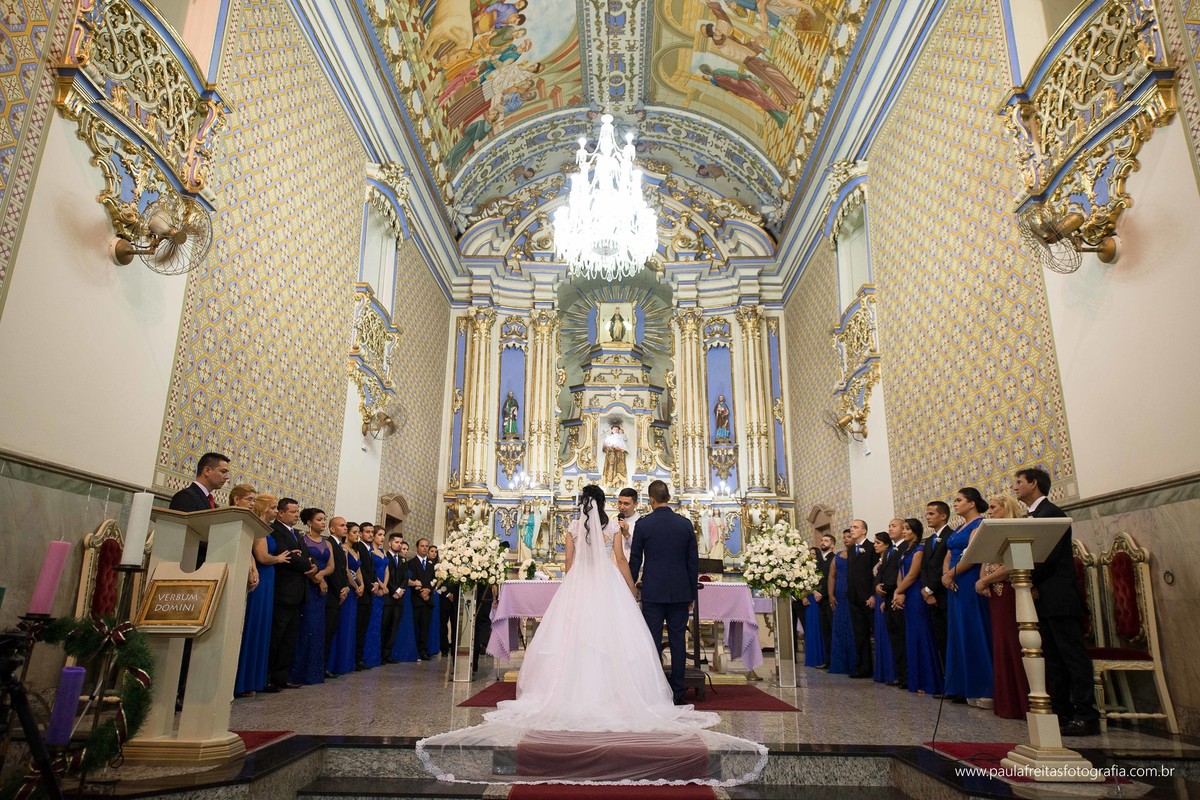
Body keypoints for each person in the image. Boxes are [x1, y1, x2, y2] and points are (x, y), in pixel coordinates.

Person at [415, 483, 766, 785]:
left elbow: (569, 567)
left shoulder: (571, 528)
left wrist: (574, 588)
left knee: (576, 640)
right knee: (616, 640)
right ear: (602, 505)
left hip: (579, 589)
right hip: (610, 588)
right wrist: (629, 589)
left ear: (581, 504)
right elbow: (622, 562)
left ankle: (573, 690)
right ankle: (620, 693)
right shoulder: (613, 528)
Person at [1014, 467, 1099, 736]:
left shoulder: (1050, 514)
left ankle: (1087, 714)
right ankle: (1062, 712)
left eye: (1019, 482)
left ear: (1034, 484)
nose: (1015, 487)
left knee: (1072, 657)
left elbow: (1046, 556)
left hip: (1059, 596)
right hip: (1043, 596)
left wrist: (1030, 579)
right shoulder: (1033, 515)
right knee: (1052, 658)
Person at [629, 481, 697, 704]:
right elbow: (692, 563)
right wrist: (692, 596)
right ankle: (678, 693)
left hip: (653, 591)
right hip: (679, 592)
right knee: (678, 641)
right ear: (668, 496)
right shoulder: (685, 524)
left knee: (652, 641)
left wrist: (629, 585)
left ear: (651, 500)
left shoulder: (644, 525)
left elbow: (635, 560)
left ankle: (655, 692)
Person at [976, 494, 1030, 720]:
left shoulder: (1014, 531)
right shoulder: (992, 533)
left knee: (1013, 642)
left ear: (1006, 509)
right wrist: (982, 580)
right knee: (1000, 643)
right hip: (993, 593)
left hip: (1009, 591)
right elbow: (985, 559)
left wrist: (986, 580)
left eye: (993, 508)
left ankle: (1021, 701)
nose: (989, 512)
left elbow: (1012, 564)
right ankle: (1006, 700)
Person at [942, 488, 993, 708]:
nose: (955, 504)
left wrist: (951, 574)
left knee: (973, 630)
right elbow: (948, 554)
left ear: (972, 503)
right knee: (958, 631)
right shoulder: (959, 527)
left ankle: (983, 686)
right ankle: (962, 685)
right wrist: (946, 574)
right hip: (953, 581)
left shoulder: (979, 524)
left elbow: (974, 556)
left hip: (968, 578)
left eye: (959, 500)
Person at [234, 492, 286, 697]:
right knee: (254, 625)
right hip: (261, 577)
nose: (275, 511)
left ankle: (254, 679)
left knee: (263, 626)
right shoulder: (257, 528)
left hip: (269, 577)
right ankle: (243, 680)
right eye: (273, 508)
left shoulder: (266, 529)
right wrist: (279, 558)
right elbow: (262, 556)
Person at [268, 497, 316, 691]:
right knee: (277, 636)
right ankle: (268, 677)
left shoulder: (296, 533)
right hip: (284, 591)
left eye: (297, 512)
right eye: (293, 512)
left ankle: (282, 676)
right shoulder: (275, 530)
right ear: (280, 513)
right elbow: (288, 557)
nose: (297, 515)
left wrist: (309, 563)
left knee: (289, 638)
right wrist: (307, 564)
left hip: (298, 592)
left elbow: (305, 556)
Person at [892, 518, 942, 695]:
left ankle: (928, 680)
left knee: (922, 633)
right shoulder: (906, 550)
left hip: (915, 595)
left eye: (907, 529)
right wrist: (899, 592)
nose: (904, 532)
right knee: (911, 635)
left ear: (915, 531)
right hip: (906, 592)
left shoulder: (919, 550)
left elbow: (913, 574)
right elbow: (901, 572)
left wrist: (898, 591)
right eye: (903, 529)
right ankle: (916, 679)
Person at [291, 508, 333, 685]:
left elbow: (331, 565)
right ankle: (298, 673)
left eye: (324, 520)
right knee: (306, 627)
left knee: (318, 629)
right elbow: (304, 563)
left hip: (321, 588)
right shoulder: (302, 540)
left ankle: (315, 672)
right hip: (308, 586)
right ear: (309, 523)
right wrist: (316, 579)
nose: (323, 523)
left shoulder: (327, 543)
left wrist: (322, 575)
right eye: (319, 520)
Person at [920, 501, 953, 668]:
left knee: (949, 637)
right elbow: (924, 567)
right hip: (930, 595)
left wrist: (931, 588)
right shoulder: (929, 540)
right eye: (927, 514)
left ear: (943, 515)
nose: (927, 517)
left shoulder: (950, 536)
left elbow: (943, 567)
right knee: (939, 637)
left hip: (944, 594)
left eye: (931, 514)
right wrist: (926, 590)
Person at [327, 519, 361, 676]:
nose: (346, 529)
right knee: (338, 627)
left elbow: (357, 570)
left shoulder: (352, 550)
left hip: (349, 589)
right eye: (344, 527)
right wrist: (350, 586)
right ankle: (332, 663)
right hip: (338, 589)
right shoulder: (339, 548)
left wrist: (361, 585)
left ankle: (344, 662)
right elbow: (343, 570)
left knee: (347, 626)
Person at [844, 519, 876, 678]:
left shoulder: (872, 548)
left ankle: (881, 667)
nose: (852, 530)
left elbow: (875, 573)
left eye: (855, 527)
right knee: (859, 633)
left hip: (868, 597)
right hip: (854, 597)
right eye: (851, 527)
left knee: (875, 631)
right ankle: (863, 667)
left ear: (864, 531)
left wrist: (873, 594)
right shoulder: (851, 550)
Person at [879, 519, 909, 686]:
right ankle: (899, 675)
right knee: (895, 638)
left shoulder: (906, 548)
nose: (890, 528)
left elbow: (900, 572)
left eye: (894, 526)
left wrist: (891, 589)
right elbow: (885, 571)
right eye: (889, 525)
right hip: (889, 597)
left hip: (898, 595)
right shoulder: (891, 550)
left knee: (901, 636)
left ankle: (905, 676)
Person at [323, 516, 350, 678]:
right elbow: (331, 570)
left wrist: (346, 587)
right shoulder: (330, 544)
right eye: (342, 525)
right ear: (332, 529)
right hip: (331, 594)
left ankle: (325, 665)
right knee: (326, 631)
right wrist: (340, 589)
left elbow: (343, 569)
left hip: (340, 591)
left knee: (331, 630)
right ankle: (320, 666)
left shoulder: (340, 546)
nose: (345, 528)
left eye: (346, 525)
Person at [826, 529, 857, 675]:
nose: (846, 539)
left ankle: (854, 664)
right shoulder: (838, 556)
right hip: (839, 593)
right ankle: (839, 663)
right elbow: (832, 576)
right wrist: (831, 594)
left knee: (852, 628)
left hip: (852, 594)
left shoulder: (858, 554)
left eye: (849, 536)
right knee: (839, 629)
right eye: (844, 537)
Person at [351, 522, 377, 670]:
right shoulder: (358, 547)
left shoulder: (370, 549)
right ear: (360, 533)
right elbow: (361, 571)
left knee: (363, 627)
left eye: (372, 532)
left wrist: (376, 583)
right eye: (367, 532)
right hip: (362, 592)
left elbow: (371, 570)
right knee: (358, 626)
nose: (371, 535)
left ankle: (359, 658)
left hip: (369, 592)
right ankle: (355, 658)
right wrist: (370, 584)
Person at [871, 533, 896, 685]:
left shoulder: (891, 556)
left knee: (888, 633)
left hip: (885, 595)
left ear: (887, 544)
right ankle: (883, 670)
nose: (875, 545)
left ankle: (891, 671)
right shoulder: (879, 559)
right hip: (878, 594)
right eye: (874, 542)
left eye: (878, 543)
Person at [362, 527, 388, 668]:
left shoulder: (383, 551)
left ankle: (375, 656)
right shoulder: (370, 551)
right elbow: (371, 570)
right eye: (379, 535)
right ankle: (366, 656)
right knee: (370, 622)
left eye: (383, 535)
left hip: (382, 589)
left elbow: (386, 570)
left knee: (378, 623)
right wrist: (380, 585)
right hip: (374, 588)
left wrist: (385, 585)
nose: (382, 537)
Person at [408, 538, 438, 660]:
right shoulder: (411, 563)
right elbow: (412, 578)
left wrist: (428, 590)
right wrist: (421, 592)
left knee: (425, 626)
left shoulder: (432, 565)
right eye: (422, 546)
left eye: (427, 546)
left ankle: (423, 650)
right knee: (416, 626)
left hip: (428, 599)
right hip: (416, 599)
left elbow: (435, 580)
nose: (425, 548)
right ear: (417, 547)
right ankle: (415, 650)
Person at [381, 532, 408, 662]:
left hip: (400, 598)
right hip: (389, 596)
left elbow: (405, 577)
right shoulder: (385, 557)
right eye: (396, 542)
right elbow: (387, 577)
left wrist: (401, 589)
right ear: (390, 542)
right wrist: (394, 590)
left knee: (394, 627)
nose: (399, 545)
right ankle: (380, 653)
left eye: (400, 543)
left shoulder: (402, 559)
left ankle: (388, 653)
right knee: (385, 625)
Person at [813, 532, 835, 663]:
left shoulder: (834, 558)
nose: (822, 543)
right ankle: (827, 660)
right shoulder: (818, 560)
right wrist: (815, 591)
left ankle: (833, 659)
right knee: (825, 630)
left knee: (831, 629)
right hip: (819, 598)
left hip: (828, 598)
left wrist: (823, 593)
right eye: (821, 540)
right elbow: (815, 578)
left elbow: (831, 579)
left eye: (826, 541)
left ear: (832, 544)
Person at [615, 487, 640, 561]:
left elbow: (642, 549)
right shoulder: (613, 521)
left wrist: (627, 535)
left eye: (626, 504)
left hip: (632, 565)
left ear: (635, 504)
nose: (622, 507)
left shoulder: (641, 523)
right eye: (620, 502)